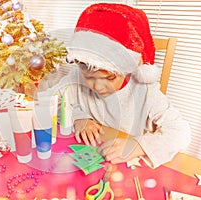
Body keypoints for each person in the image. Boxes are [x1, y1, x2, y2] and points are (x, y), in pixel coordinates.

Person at [38, 3, 191, 168]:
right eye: (89, 77)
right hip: (88, 159)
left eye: (109, 78)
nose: (98, 86)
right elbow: (49, 101)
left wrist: (139, 146)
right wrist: (77, 116)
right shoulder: (76, 76)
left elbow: (180, 132)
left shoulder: (144, 89)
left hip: (124, 165)